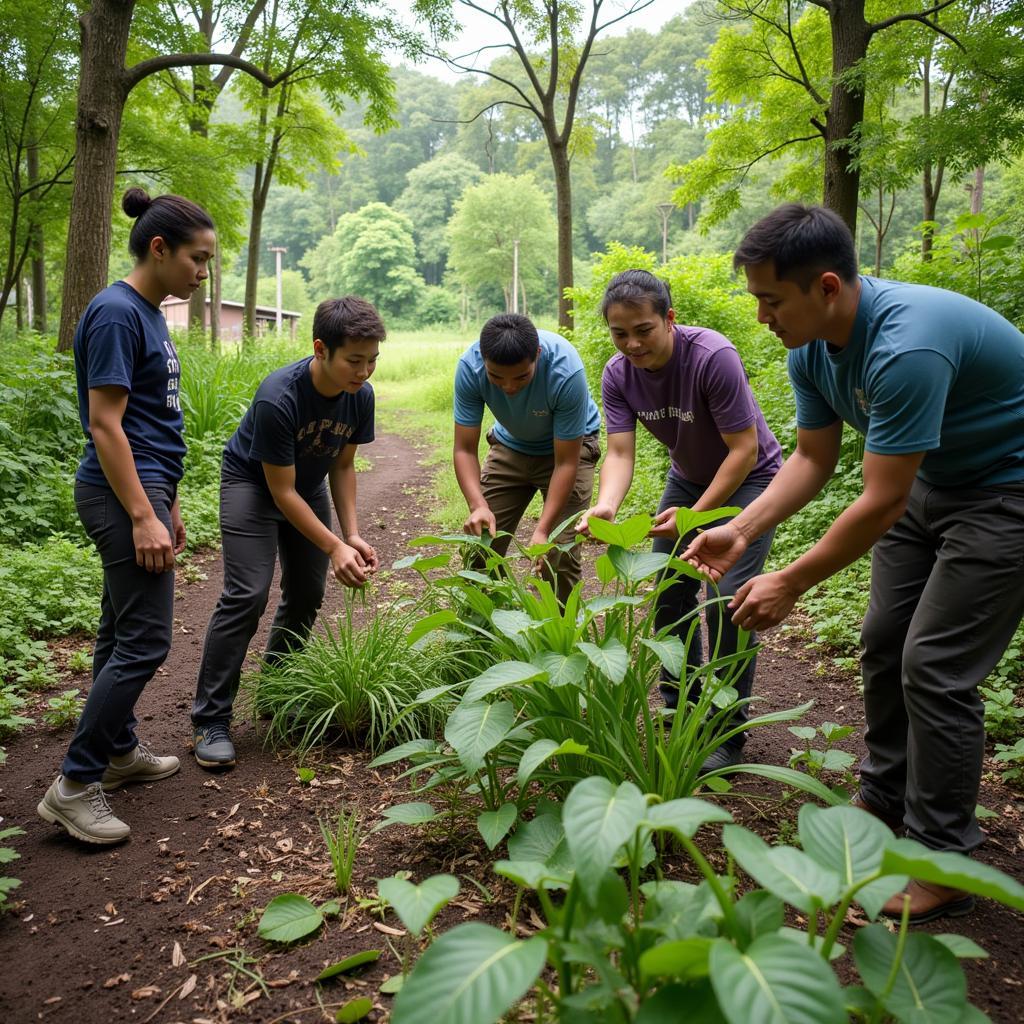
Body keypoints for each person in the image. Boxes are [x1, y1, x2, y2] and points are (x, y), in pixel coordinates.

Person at [684, 203, 1024, 922]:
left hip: (1007, 489)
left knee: (933, 664)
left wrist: (793, 579)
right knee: (881, 641)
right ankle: (883, 794)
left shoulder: (906, 348)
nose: (762, 317)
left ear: (828, 287)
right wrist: (740, 530)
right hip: (934, 481)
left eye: (772, 300)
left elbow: (879, 502)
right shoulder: (810, 349)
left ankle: (944, 858)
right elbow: (812, 458)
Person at [37, 188, 215, 844]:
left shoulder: (147, 313)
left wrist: (164, 505)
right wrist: (142, 515)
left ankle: (116, 754)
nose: (204, 272)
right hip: (118, 496)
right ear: (160, 248)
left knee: (118, 635)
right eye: (197, 259)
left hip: (143, 492)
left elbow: (149, 421)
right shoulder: (116, 313)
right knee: (146, 641)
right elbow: (105, 425)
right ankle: (75, 785)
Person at [578, 270, 782, 770]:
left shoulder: (712, 356)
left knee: (726, 595)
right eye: (619, 333)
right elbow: (621, 454)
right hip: (689, 479)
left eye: (643, 330)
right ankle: (681, 703)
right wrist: (606, 504)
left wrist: (697, 516)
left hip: (751, 479)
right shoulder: (617, 374)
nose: (631, 344)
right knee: (668, 587)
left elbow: (744, 449)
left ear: (669, 319)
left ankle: (727, 732)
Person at [190, 297, 383, 769]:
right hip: (253, 486)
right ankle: (211, 718)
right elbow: (281, 491)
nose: (364, 371)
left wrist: (351, 534)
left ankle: (277, 693)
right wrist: (332, 544)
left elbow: (342, 464)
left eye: (373, 359)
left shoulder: (361, 397)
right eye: (354, 360)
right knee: (247, 594)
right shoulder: (280, 397)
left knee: (307, 592)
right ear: (321, 349)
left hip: (308, 484)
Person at [453, 313, 602, 602]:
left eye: (521, 376)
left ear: (537, 354)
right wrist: (477, 505)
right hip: (510, 446)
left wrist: (543, 530)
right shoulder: (469, 368)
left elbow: (566, 462)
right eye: (496, 377)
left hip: (570, 449)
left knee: (558, 555)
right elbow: (464, 449)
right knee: (481, 546)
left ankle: (557, 638)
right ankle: (480, 637)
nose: (509, 387)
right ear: (482, 358)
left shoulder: (565, 371)